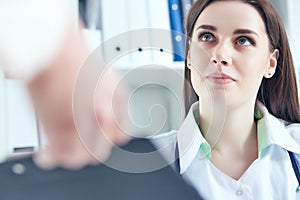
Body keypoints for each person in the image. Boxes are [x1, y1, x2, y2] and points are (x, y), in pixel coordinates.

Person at [0, 1, 203, 199]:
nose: (220, 56)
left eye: (237, 40)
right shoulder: (156, 159)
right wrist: (63, 51)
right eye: (206, 37)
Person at [151, 0, 300, 199]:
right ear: (188, 55)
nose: (220, 55)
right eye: (207, 37)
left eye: (243, 40)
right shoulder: (151, 161)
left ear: (270, 63)